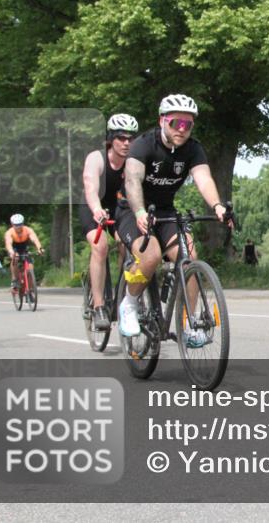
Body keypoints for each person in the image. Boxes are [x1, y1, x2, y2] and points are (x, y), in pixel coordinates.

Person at [115, 94, 232, 347]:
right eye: (175, 123)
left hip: (165, 211)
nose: (182, 129)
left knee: (189, 256)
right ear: (162, 121)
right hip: (131, 210)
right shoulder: (144, 145)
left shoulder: (193, 149)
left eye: (187, 125)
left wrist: (218, 206)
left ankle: (189, 325)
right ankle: (130, 303)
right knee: (151, 257)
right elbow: (133, 181)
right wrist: (139, 212)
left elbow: (203, 179)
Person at [81, 113, 138, 330]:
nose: (126, 143)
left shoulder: (134, 162)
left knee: (128, 243)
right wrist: (96, 210)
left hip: (118, 208)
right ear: (110, 139)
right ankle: (98, 307)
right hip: (92, 206)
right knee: (101, 246)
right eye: (121, 138)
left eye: (131, 139)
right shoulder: (97, 158)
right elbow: (90, 187)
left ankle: (122, 288)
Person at [3, 214, 45, 287]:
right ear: (12, 224)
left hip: (24, 247)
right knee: (14, 259)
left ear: (23, 223)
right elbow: (8, 243)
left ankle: (31, 287)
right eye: (16, 225)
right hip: (13, 248)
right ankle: (14, 280)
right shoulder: (9, 232)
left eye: (20, 224)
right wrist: (11, 252)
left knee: (30, 266)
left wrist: (39, 248)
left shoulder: (28, 230)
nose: (18, 227)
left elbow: (35, 239)